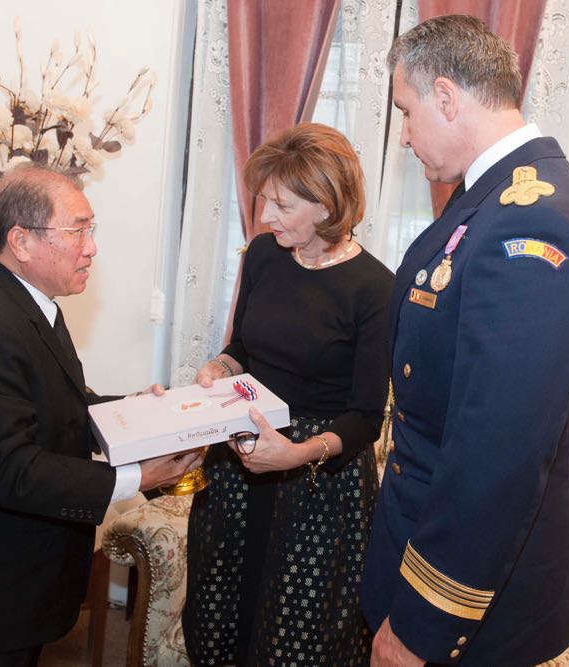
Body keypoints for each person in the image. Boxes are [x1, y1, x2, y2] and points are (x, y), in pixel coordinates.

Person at [360, 15, 569, 667]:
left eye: (407, 112)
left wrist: (422, 623)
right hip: (432, 559)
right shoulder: (494, 200)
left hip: (469, 612)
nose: (406, 136)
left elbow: (496, 450)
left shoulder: (529, 223)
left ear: (446, 96)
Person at [0, 163, 203, 666]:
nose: (91, 246)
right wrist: (135, 476)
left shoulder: (28, 305)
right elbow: (9, 467)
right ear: (22, 241)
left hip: (24, 578)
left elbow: (63, 403)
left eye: (90, 230)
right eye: (78, 230)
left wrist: (141, 413)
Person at [183, 122, 393, 666]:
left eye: (280, 204)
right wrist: (218, 365)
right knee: (222, 610)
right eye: (263, 201)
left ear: (325, 205)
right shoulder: (263, 255)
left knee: (296, 636)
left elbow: (367, 416)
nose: (265, 217)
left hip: (319, 479)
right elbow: (243, 350)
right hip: (240, 457)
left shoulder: (375, 288)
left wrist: (296, 453)